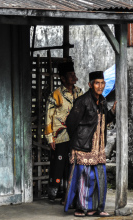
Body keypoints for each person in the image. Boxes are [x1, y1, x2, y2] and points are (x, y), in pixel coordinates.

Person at [64, 71, 117, 217]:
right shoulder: (82, 101)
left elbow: (105, 120)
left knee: (99, 177)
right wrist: (77, 142)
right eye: (97, 83)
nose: (100, 86)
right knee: (84, 177)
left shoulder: (103, 101)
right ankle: (81, 208)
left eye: (102, 83)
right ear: (90, 85)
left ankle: (97, 207)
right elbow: (71, 123)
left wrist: (112, 111)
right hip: (84, 146)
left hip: (98, 147)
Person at [44, 61, 84, 202]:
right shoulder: (56, 94)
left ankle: (68, 194)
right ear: (62, 78)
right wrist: (50, 138)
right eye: (70, 75)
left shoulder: (79, 92)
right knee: (58, 163)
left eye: (74, 74)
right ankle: (53, 193)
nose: (73, 77)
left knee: (71, 163)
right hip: (60, 135)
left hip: (75, 135)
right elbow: (48, 117)